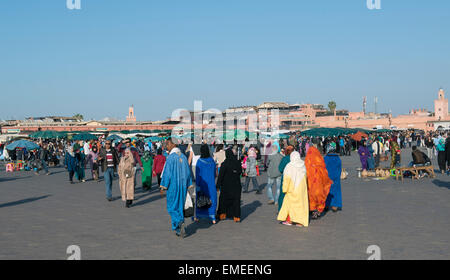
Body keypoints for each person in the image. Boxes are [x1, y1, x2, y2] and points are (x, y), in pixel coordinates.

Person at [159, 138, 193, 238]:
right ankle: (179, 227)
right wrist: (188, 184)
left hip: (173, 186)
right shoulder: (183, 156)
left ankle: (178, 224)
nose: (166, 146)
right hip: (183, 186)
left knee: (172, 207)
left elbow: (167, 173)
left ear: (173, 144)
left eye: (168, 144)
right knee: (180, 206)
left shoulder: (170, 158)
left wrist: (163, 186)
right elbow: (188, 173)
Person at [277, 151, 309, 227]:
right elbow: (305, 177)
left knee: (289, 205)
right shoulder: (303, 164)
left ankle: (289, 220)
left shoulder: (289, 166)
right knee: (300, 205)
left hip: (291, 188)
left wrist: (284, 189)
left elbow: (286, 178)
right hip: (301, 189)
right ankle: (300, 222)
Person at [305, 146, 333, 220]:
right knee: (320, 196)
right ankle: (318, 210)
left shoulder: (307, 161)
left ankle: (313, 211)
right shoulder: (319, 161)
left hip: (310, 185)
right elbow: (324, 172)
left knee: (311, 197)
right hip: (319, 184)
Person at [217, 148, 243, 223]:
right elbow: (240, 172)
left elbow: (221, 176)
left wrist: (218, 185)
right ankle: (236, 216)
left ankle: (222, 214)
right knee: (236, 201)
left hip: (226, 186)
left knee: (223, 200)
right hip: (236, 185)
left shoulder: (224, 164)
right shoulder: (237, 163)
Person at [194, 144, 218, 224]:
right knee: (212, 199)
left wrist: (197, 184)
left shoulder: (199, 162)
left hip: (202, 184)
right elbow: (215, 173)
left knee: (200, 200)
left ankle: (198, 216)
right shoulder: (212, 161)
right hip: (211, 184)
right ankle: (213, 217)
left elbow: (197, 175)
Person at [324, 143, 343, 213]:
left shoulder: (325, 158)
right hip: (336, 177)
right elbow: (339, 168)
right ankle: (335, 205)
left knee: (327, 191)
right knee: (336, 191)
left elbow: (323, 168)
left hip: (327, 177)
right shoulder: (338, 158)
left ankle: (326, 205)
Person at [277, 145, 294, 211]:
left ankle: (282, 211)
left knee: (283, 195)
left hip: (286, 178)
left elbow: (280, 169)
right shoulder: (296, 158)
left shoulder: (285, 159)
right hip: (295, 179)